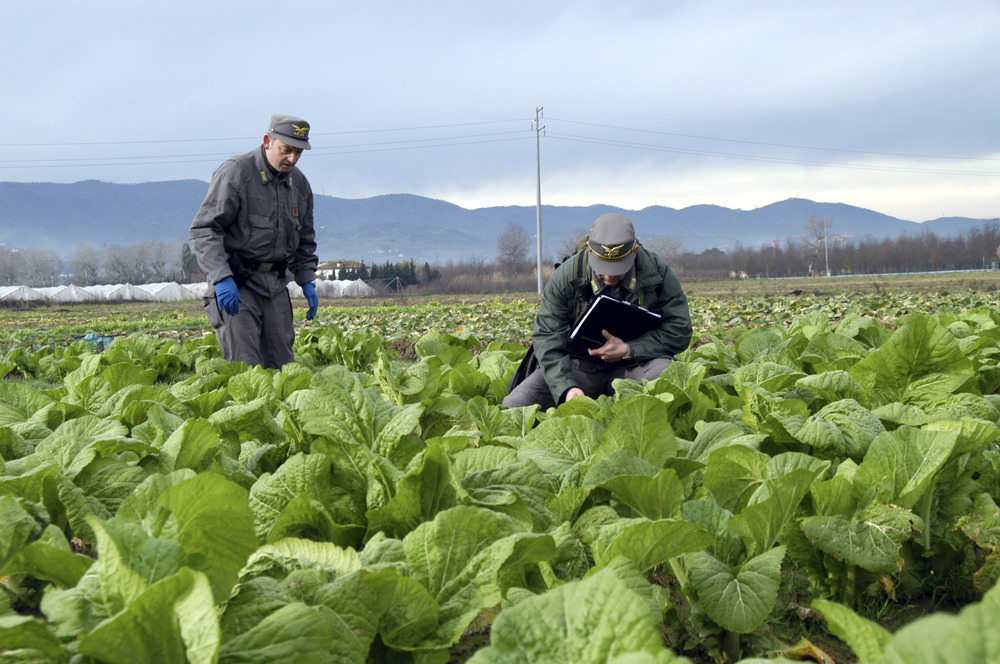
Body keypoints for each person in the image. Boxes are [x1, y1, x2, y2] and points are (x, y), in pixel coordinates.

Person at [503, 212, 692, 409]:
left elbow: (680, 330)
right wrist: (567, 388)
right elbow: (547, 336)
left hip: (636, 364)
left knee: (666, 380)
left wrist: (629, 350)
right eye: (602, 268)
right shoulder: (566, 276)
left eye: (618, 269)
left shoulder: (656, 272)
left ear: (634, 252)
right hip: (579, 366)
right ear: (590, 252)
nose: (609, 276)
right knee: (516, 406)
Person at [189, 113, 320, 369]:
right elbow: (205, 229)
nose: (292, 158)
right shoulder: (236, 174)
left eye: (298, 153)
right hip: (238, 283)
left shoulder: (299, 185)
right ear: (268, 141)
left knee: (284, 367)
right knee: (245, 368)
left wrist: (306, 279)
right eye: (286, 150)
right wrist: (221, 276)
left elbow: (304, 239)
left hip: (275, 285)